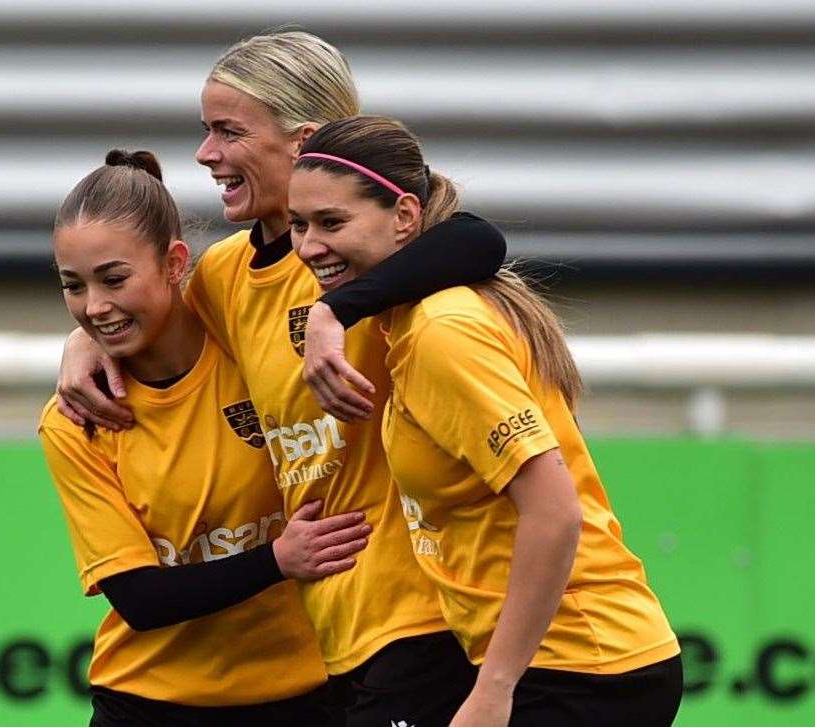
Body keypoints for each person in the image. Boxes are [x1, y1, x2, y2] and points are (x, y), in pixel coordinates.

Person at [56, 31, 509, 725]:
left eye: (228, 131)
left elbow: (479, 238)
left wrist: (336, 309)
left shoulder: (355, 253)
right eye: (204, 132)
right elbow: (146, 310)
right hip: (335, 634)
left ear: (304, 143)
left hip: (418, 613)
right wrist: (82, 342)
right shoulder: (224, 274)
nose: (205, 154)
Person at [291, 115, 683, 727]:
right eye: (299, 224)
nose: (310, 245)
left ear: (404, 217)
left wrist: (494, 688)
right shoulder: (412, 318)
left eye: (332, 223)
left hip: (579, 667)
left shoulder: (443, 331)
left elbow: (554, 511)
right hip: (564, 666)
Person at [39, 149, 374, 726]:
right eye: (74, 286)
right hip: (148, 704)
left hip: (308, 694)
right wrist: (278, 560)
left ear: (174, 263)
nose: (94, 307)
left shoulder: (249, 345)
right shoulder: (76, 418)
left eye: (114, 279)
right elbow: (141, 599)